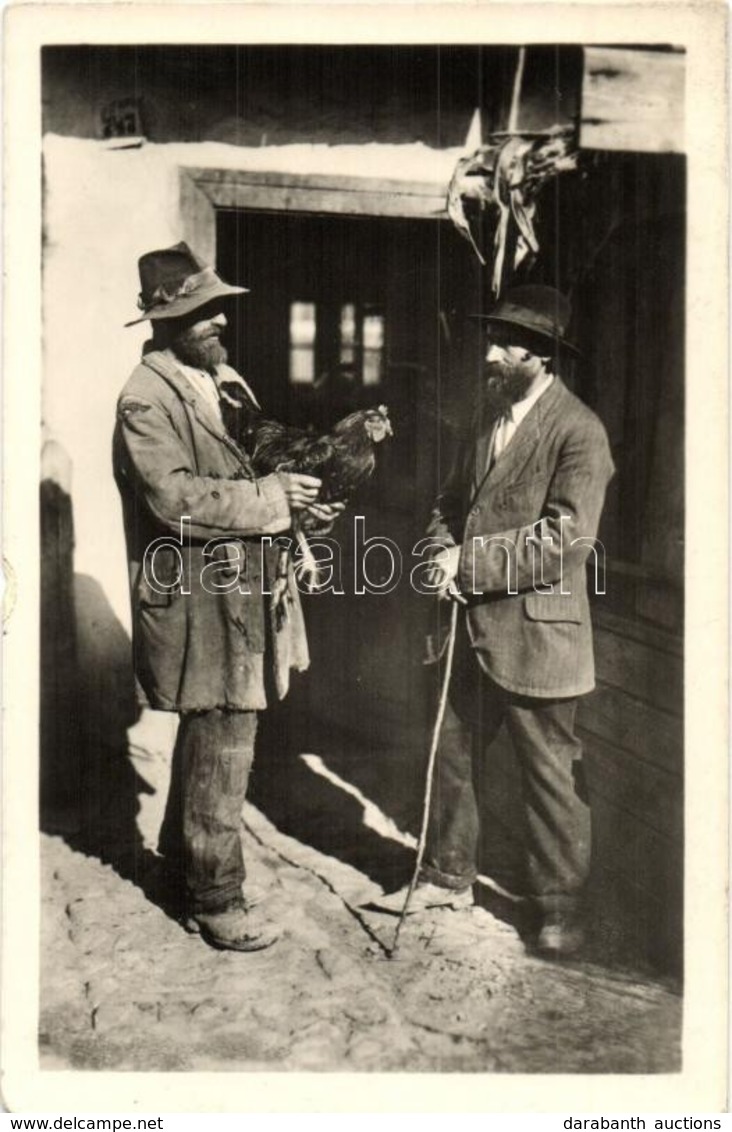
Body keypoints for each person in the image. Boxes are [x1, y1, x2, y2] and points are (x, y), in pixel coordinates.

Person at [113, 241, 342, 952]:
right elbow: (171, 497)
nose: (218, 322)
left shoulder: (220, 383)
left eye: (218, 310)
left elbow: (252, 478)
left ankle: (185, 868)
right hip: (196, 598)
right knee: (226, 736)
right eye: (201, 312)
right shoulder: (146, 397)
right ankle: (218, 899)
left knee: (215, 729)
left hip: (237, 588)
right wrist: (270, 500)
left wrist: (294, 505)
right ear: (165, 321)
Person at [377, 285, 614, 958]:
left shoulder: (580, 431)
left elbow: (566, 541)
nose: (490, 353)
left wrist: (467, 566)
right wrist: (432, 556)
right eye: (493, 340)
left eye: (505, 344)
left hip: (541, 634)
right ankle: (446, 876)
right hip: (465, 629)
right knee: (449, 754)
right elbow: (449, 505)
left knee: (550, 779)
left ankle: (560, 907)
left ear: (539, 355)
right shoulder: (488, 419)